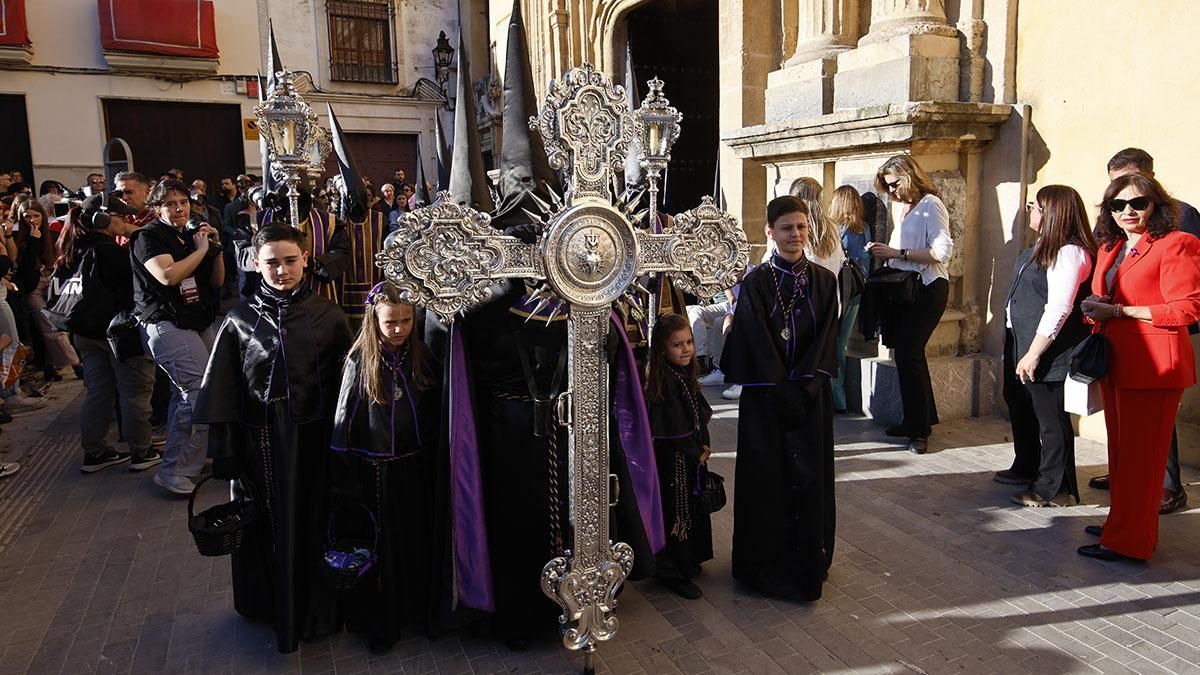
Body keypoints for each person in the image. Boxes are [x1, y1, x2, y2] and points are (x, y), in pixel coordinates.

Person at [194, 224, 353, 652]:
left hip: (314, 444)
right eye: (271, 262)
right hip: (260, 447)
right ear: (255, 263)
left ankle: (317, 608)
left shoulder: (330, 315)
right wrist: (224, 452)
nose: (281, 270)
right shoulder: (239, 319)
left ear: (305, 260)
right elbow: (223, 390)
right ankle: (271, 605)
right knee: (268, 524)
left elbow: (347, 387)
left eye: (289, 260)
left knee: (314, 519)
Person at [1075, 174, 1200, 562]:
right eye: (1117, 205)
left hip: (1155, 368)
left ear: (1156, 205)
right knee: (1123, 457)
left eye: (1138, 203)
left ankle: (1130, 542)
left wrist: (1118, 311)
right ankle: (1123, 525)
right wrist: (1095, 308)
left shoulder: (1178, 243)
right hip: (1117, 362)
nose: (1127, 211)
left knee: (1143, 461)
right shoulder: (1113, 247)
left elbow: (1187, 308)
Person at [721, 195, 839, 602]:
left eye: (802, 227)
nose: (796, 235)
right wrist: (778, 386)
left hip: (809, 400)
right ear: (769, 232)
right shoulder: (754, 283)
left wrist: (803, 387)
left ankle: (808, 564)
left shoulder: (825, 281)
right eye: (787, 228)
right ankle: (764, 569)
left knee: (809, 479)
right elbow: (752, 337)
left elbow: (826, 338)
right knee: (766, 481)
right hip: (766, 402)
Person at [329, 283, 442, 651]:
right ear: (374, 321)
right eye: (390, 322)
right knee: (382, 549)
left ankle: (416, 612)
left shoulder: (422, 355)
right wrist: (346, 474)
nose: (399, 329)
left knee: (415, 542)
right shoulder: (359, 360)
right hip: (375, 471)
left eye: (406, 320)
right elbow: (344, 419)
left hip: (413, 467)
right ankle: (383, 621)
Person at [996, 185, 1096, 507]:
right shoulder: (1043, 245)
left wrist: (1034, 353)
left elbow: (1059, 308)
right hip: (1021, 341)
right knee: (1020, 403)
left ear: (1053, 213)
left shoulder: (1069, 252)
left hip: (1047, 349)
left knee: (1051, 419)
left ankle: (1057, 488)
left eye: (1035, 207)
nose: (1031, 212)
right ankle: (1027, 466)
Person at [130, 179, 224, 496]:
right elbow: (168, 276)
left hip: (196, 319)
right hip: (165, 323)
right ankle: (175, 470)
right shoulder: (148, 237)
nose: (179, 208)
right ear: (157, 208)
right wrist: (200, 250)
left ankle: (191, 458)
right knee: (198, 393)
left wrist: (214, 248)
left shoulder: (189, 237)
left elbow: (217, 280)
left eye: (183, 202)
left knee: (190, 394)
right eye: (170, 203)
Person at [57, 195, 162, 474]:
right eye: (120, 216)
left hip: (85, 334)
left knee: (98, 392)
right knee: (135, 392)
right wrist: (137, 236)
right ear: (103, 219)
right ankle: (142, 451)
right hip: (118, 335)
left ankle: (94, 452)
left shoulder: (72, 248)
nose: (126, 220)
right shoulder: (110, 252)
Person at [867, 155, 954, 454]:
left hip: (928, 288)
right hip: (905, 290)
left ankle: (918, 430)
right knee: (907, 355)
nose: (890, 192)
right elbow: (902, 254)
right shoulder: (901, 207)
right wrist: (886, 254)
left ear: (908, 176)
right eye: (886, 187)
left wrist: (898, 251)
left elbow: (942, 252)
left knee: (909, 352)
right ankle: (918, 420)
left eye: (893, 185)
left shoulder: (931, 204)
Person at [645, 313, 714, 600]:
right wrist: (695, 451)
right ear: (662, 348)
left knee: (690, 510)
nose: (686, 349)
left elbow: (699, 414)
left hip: (689, 457)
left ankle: (689, 560)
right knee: (677, 513)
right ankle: (673, 569)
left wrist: (704, 444)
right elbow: (672, 429)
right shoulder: (663, 383)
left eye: (689, 342)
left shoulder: (685, 375)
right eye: (677, 344)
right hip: (674, 462)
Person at [830, 185, 869, 413]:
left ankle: (837, 397)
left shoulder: (835, 229)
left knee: (833, 344)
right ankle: (839, 398)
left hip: (836, 292)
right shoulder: (864, 229)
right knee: (841, 343)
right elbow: (866, 263)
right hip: (854, 291)